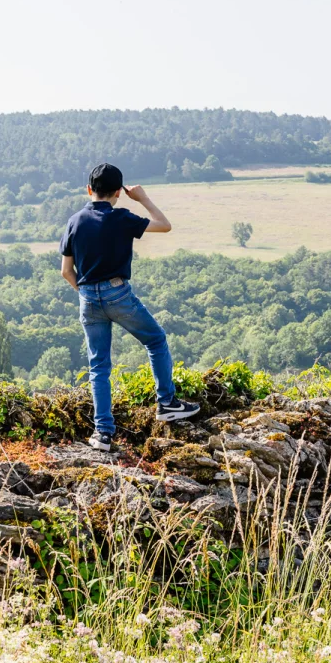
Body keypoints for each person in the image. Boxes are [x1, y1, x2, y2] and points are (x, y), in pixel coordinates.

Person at [60, 162, 200, 451]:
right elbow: (165, 225)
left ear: (89, 190)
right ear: (118, 193)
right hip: (117, 293)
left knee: (99, 365)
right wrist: (144, 199)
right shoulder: (122, 217)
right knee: (156, 339)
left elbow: (66, 271)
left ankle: (103, 434)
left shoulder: (75, 221)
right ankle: (167, 403)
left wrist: (88, 292)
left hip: (86, 297)